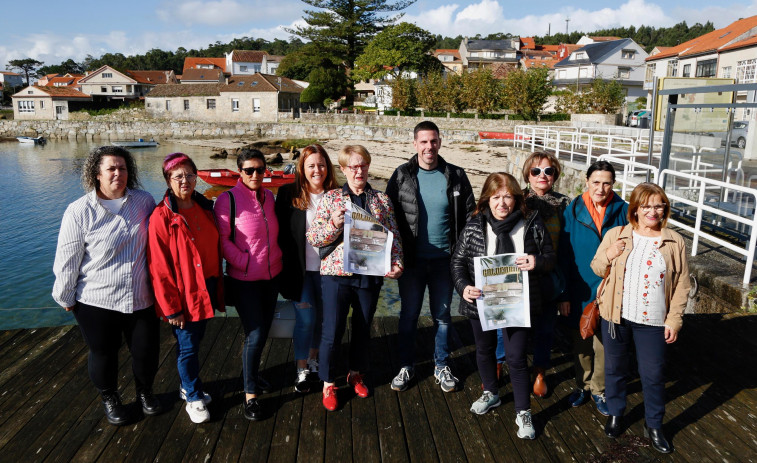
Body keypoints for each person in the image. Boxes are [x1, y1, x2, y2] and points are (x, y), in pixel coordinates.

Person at [52, 146, 160, 426]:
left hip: (141, 297)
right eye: (111, 168)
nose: (117, 173)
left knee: (146, 351)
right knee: (104, 353)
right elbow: (67, 259)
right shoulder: (79, 211)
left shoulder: (145, 201)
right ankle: (110, 397)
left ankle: (145, 393)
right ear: (96, 173)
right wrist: (64, 295)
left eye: (122, 168)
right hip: (96, 300)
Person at [450, 173, 555, 440]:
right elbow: (457, 262)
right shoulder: (475, 225)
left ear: (517, 198)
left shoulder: (531, 223)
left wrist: (536, 262)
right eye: (496, 197)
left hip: (518, 302)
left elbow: (550, 258)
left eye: (508, 196)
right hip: (481, 302)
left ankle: (523, 411)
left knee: (516, 357)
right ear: (487, 199)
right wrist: (464, 288)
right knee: (484, 350)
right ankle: (492, 393)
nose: (502, 203)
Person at [591, 183, 690, 454]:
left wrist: (674, 320)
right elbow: (597, 268)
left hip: (654, 321)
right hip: (615, 317)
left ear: (665, 208)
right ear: (635, 208)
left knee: (654, 375)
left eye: (658, 205)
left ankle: (655, 424)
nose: (653, 211)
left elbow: (682, 284)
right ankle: (616, 412)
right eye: (646, 205)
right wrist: (610, 255)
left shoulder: (674, 241)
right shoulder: (616, 234)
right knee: (614, 370)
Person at [306, 145, 403, 411]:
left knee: (362, 327)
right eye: (353, 166)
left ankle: (355, 373)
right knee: (332, 331)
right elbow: (314, 238)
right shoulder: (331, 198)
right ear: (344, 169)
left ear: (368, 167)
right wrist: (334, 224)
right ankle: (328, 383)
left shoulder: (381, 200)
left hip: (370, 275)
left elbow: (393, 235)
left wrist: (397, 263)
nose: (358, 171)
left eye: (363, 165)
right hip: (337, 275)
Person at [386, 120, 475, 393]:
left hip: (445, 261)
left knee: (443, 315)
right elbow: (387, 218)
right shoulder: (401, 175)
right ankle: (406, 365)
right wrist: (389, 257)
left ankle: (441, 364)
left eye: (433, 141)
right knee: (409, 314)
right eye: (423, 141)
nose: (429, 147)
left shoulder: (456, 175)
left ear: (440, 142)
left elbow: (471, 217)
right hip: (411, 261)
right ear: (414, 144)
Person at [148, 153, 223, 424]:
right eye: (178, 176)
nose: (185, 181)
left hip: (209, 286)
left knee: (195, 341)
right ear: (168, 180)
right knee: (188, 346)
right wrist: (171, 309)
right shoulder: (162, 216)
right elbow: (159, 268)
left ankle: (188, 384)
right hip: (184, 293)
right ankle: (192, 395)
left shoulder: (205, 206)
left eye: (190, 175)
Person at [214, 149, 283, 421]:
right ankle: (250, 395)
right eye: (249, 170)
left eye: (260, 169)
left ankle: (252, 374)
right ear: (239, 172)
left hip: (272, 276)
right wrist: (243, 262)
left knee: (263, 331)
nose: (255, 174)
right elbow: (221, 240)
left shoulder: (270, 198)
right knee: (254, 334)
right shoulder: (227, 200)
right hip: (244, 281)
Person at [558, 160, 628, 416]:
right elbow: (563, 255)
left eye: (607, 182)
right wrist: (563, 294)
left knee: (605, 344)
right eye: (596, 182)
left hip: (610, 289)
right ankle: (582, 385)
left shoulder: (623, 210)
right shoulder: (573, 210)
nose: (601, 188)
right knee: (582, 342)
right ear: (586, 182)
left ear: (613, 184)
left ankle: (599, 389)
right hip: (579, 287)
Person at [275, 144, 338, 393]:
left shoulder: (337, 194)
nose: (317, 170)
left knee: (323, 322)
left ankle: (313, 360)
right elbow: (279, 236)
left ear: (328, 167)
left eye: (321, 165)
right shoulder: (288, 193)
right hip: (300, 273)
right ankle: (301, 369)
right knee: (305, 320)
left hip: (329, 272)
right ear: (302, 168)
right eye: (311, 165)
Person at [520, 151, 571, 397]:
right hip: (520, 275)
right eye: (536, 171)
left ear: (555, 176)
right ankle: (500, 363)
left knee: (545, 329)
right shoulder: (515, 201)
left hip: (551, 276)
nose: (543, 175)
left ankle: (539, 370)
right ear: (527, 174)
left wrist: (566, 292)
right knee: (509, 325)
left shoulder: (565, 205)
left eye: (548, 171)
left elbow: (569, 251)